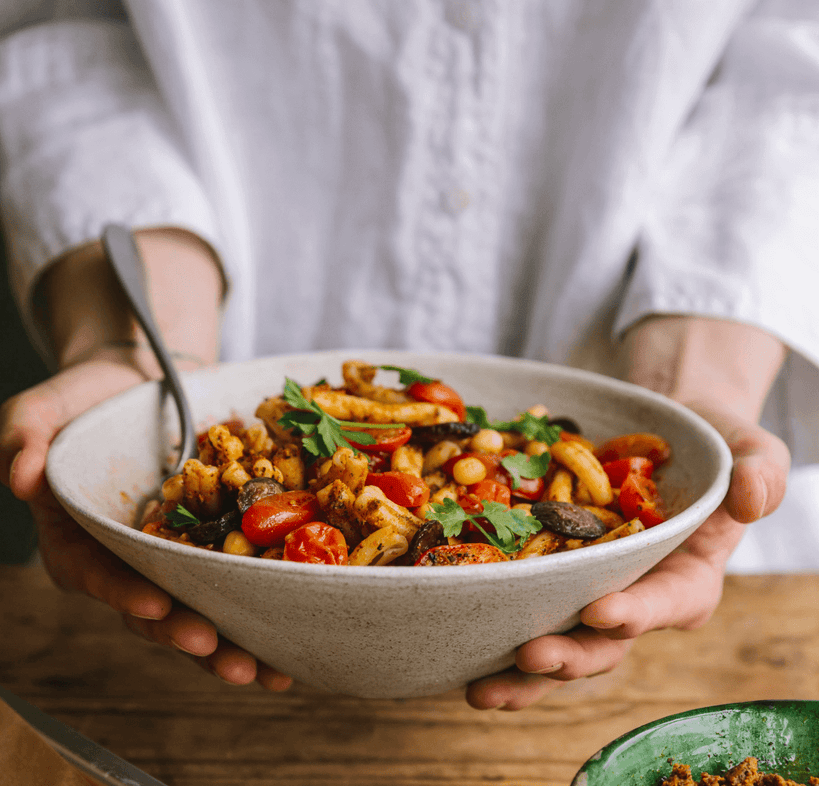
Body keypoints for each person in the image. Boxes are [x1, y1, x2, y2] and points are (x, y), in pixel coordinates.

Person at [0, 1, 812, 711]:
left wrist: (689, 387)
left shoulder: (517, 473)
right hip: (149, 659)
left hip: (715, 596)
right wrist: (138, 348)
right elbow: (69, 35)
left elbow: (788, 75)